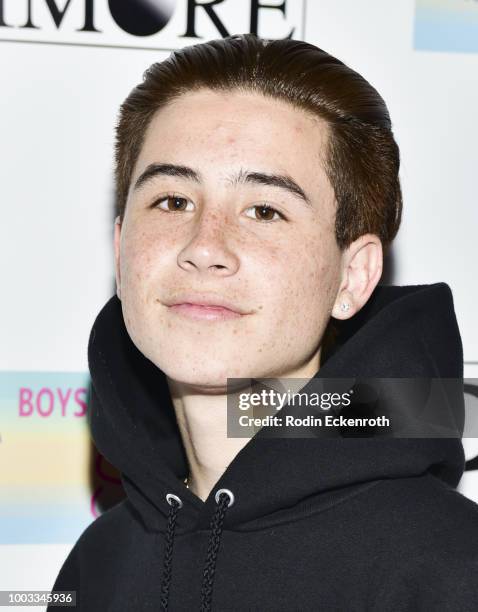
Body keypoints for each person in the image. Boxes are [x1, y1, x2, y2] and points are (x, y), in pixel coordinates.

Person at [49, 33, 478, 611]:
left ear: (351, 277)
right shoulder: (97, 564)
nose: (205, 247)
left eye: (264, 210)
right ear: (122, 250)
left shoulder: (452, 567)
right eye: (173, 201)